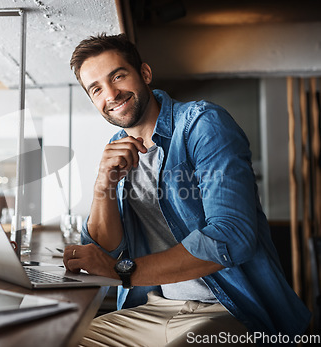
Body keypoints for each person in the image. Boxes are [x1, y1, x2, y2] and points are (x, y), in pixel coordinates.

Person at [63, 33, 310, 346]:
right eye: (96, 88)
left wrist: (123, 271)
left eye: (118, 76)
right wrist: (103, 183)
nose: (110, 94)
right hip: (154, 308)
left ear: (145, 74)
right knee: (60, 338)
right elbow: (105, 249)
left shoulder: (202, 124)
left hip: (229, 309)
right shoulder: (116, 149)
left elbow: (232, 235)